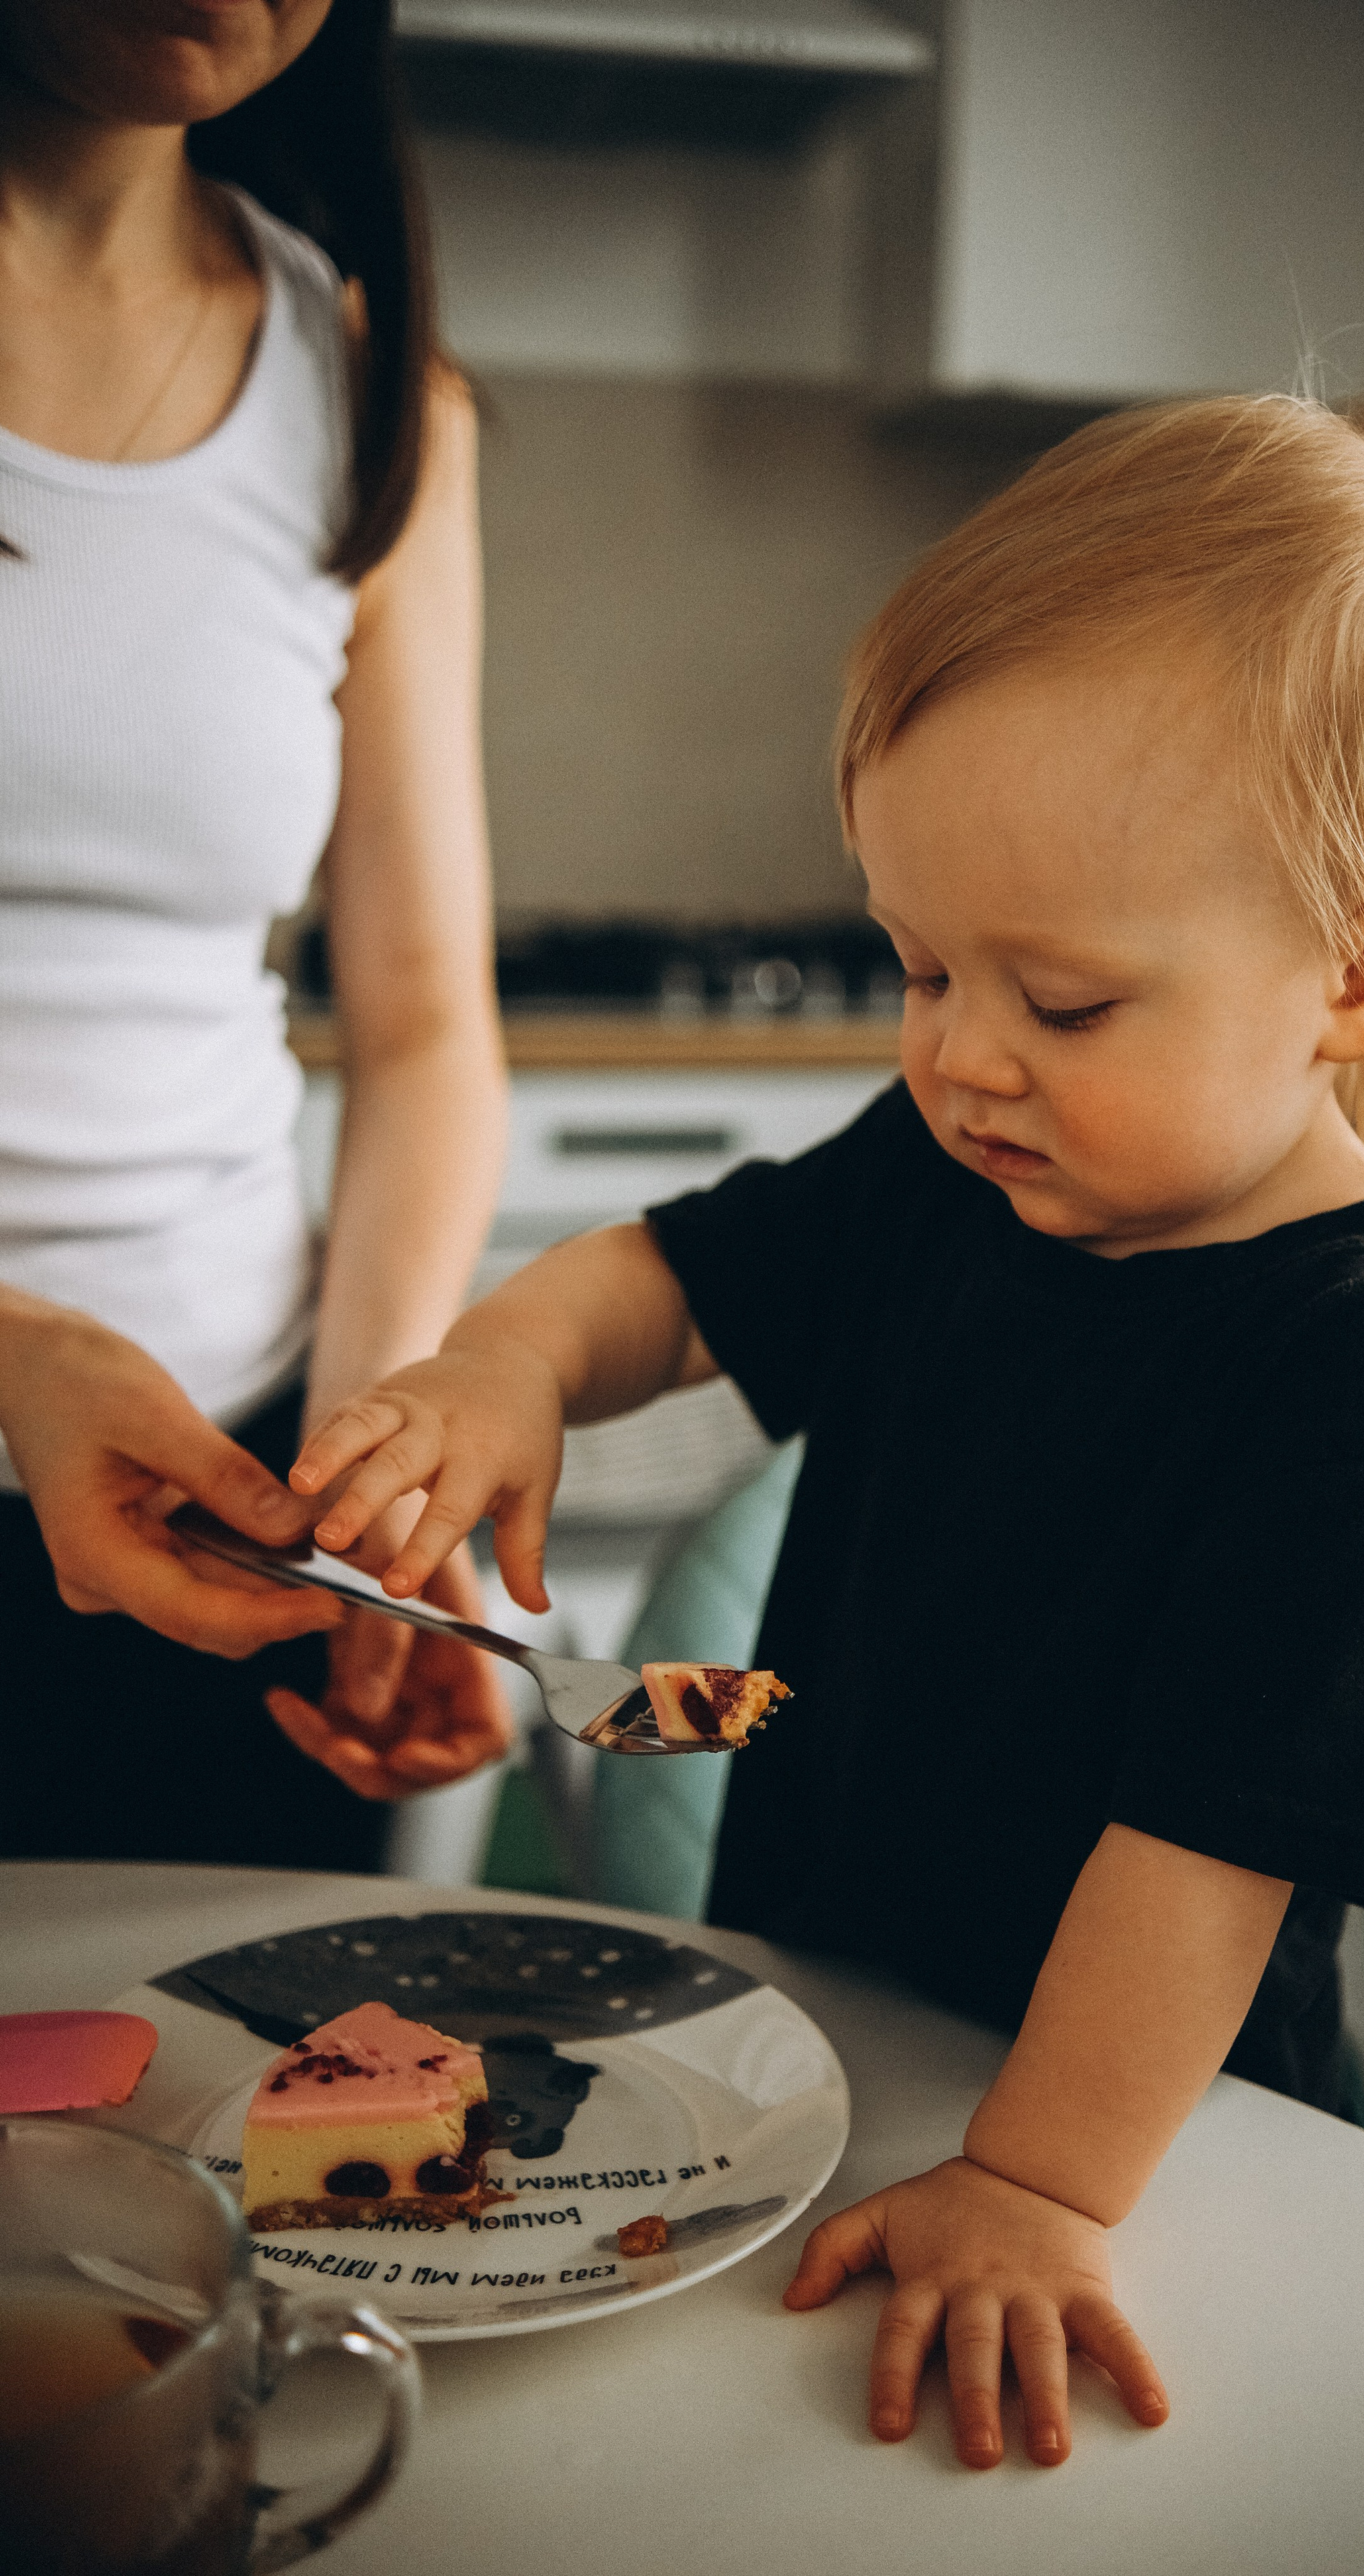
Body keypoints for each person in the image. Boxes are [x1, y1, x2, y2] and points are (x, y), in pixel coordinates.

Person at [280, 398, 1364, 2454]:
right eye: (916, 970)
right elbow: (674, 1277)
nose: (965, 1062)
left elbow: (1208, 1853)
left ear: (1360, 968)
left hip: (1127, 2128)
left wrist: (1041, 2187)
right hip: (820, 2021)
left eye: (1059, 1002)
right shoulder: (961, 1161)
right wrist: (507, 1366)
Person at [0, 0, 512, 1867]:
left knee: (245, 2146)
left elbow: (423, 1017)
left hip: (237, 1501)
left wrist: (373, 1463)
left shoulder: (376, 390)